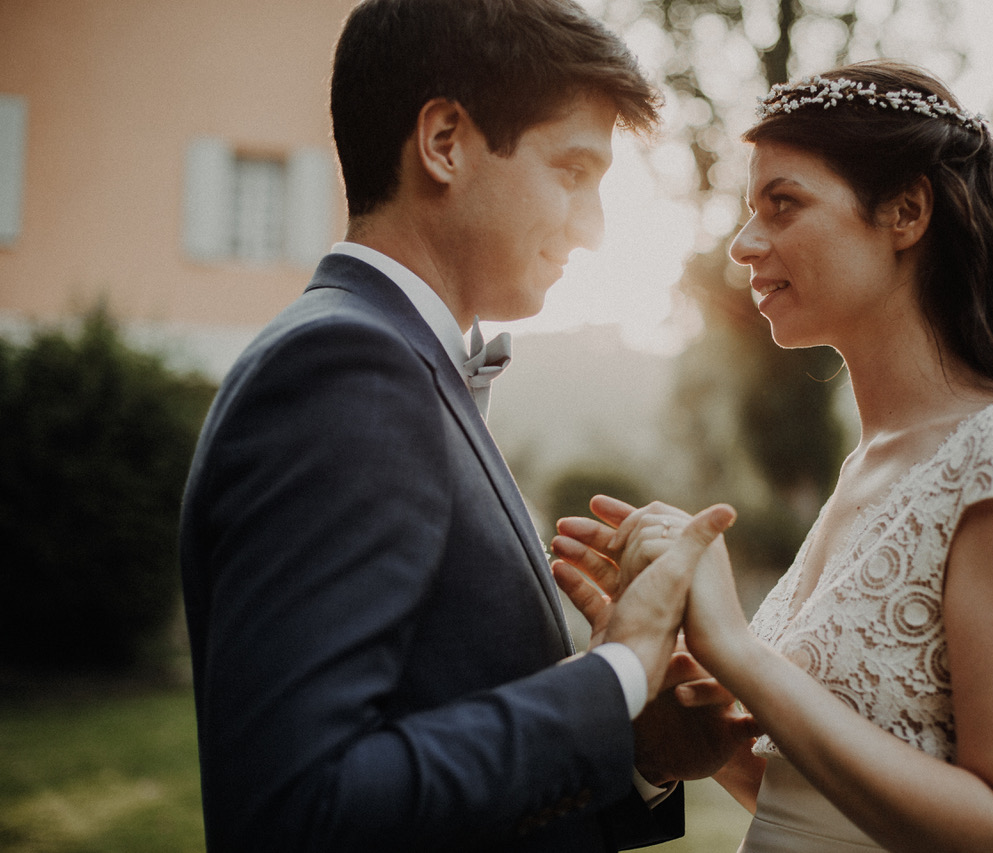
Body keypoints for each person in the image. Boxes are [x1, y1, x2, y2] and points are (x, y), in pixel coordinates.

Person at [178, 1, 751, 850]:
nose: (592, 230)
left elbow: (432, 736)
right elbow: (294, 809)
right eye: (572, 171)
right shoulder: (346, 371)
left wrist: (640, 746)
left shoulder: (401, 363)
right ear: (444, 140)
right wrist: (618, 665)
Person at [551, 60, 993, 853]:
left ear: (906, 210)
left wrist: (737, 652)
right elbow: (810, 807)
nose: (743, 244)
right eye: (749, 210)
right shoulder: (868, 464)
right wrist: (683, 696)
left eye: (784, 204)